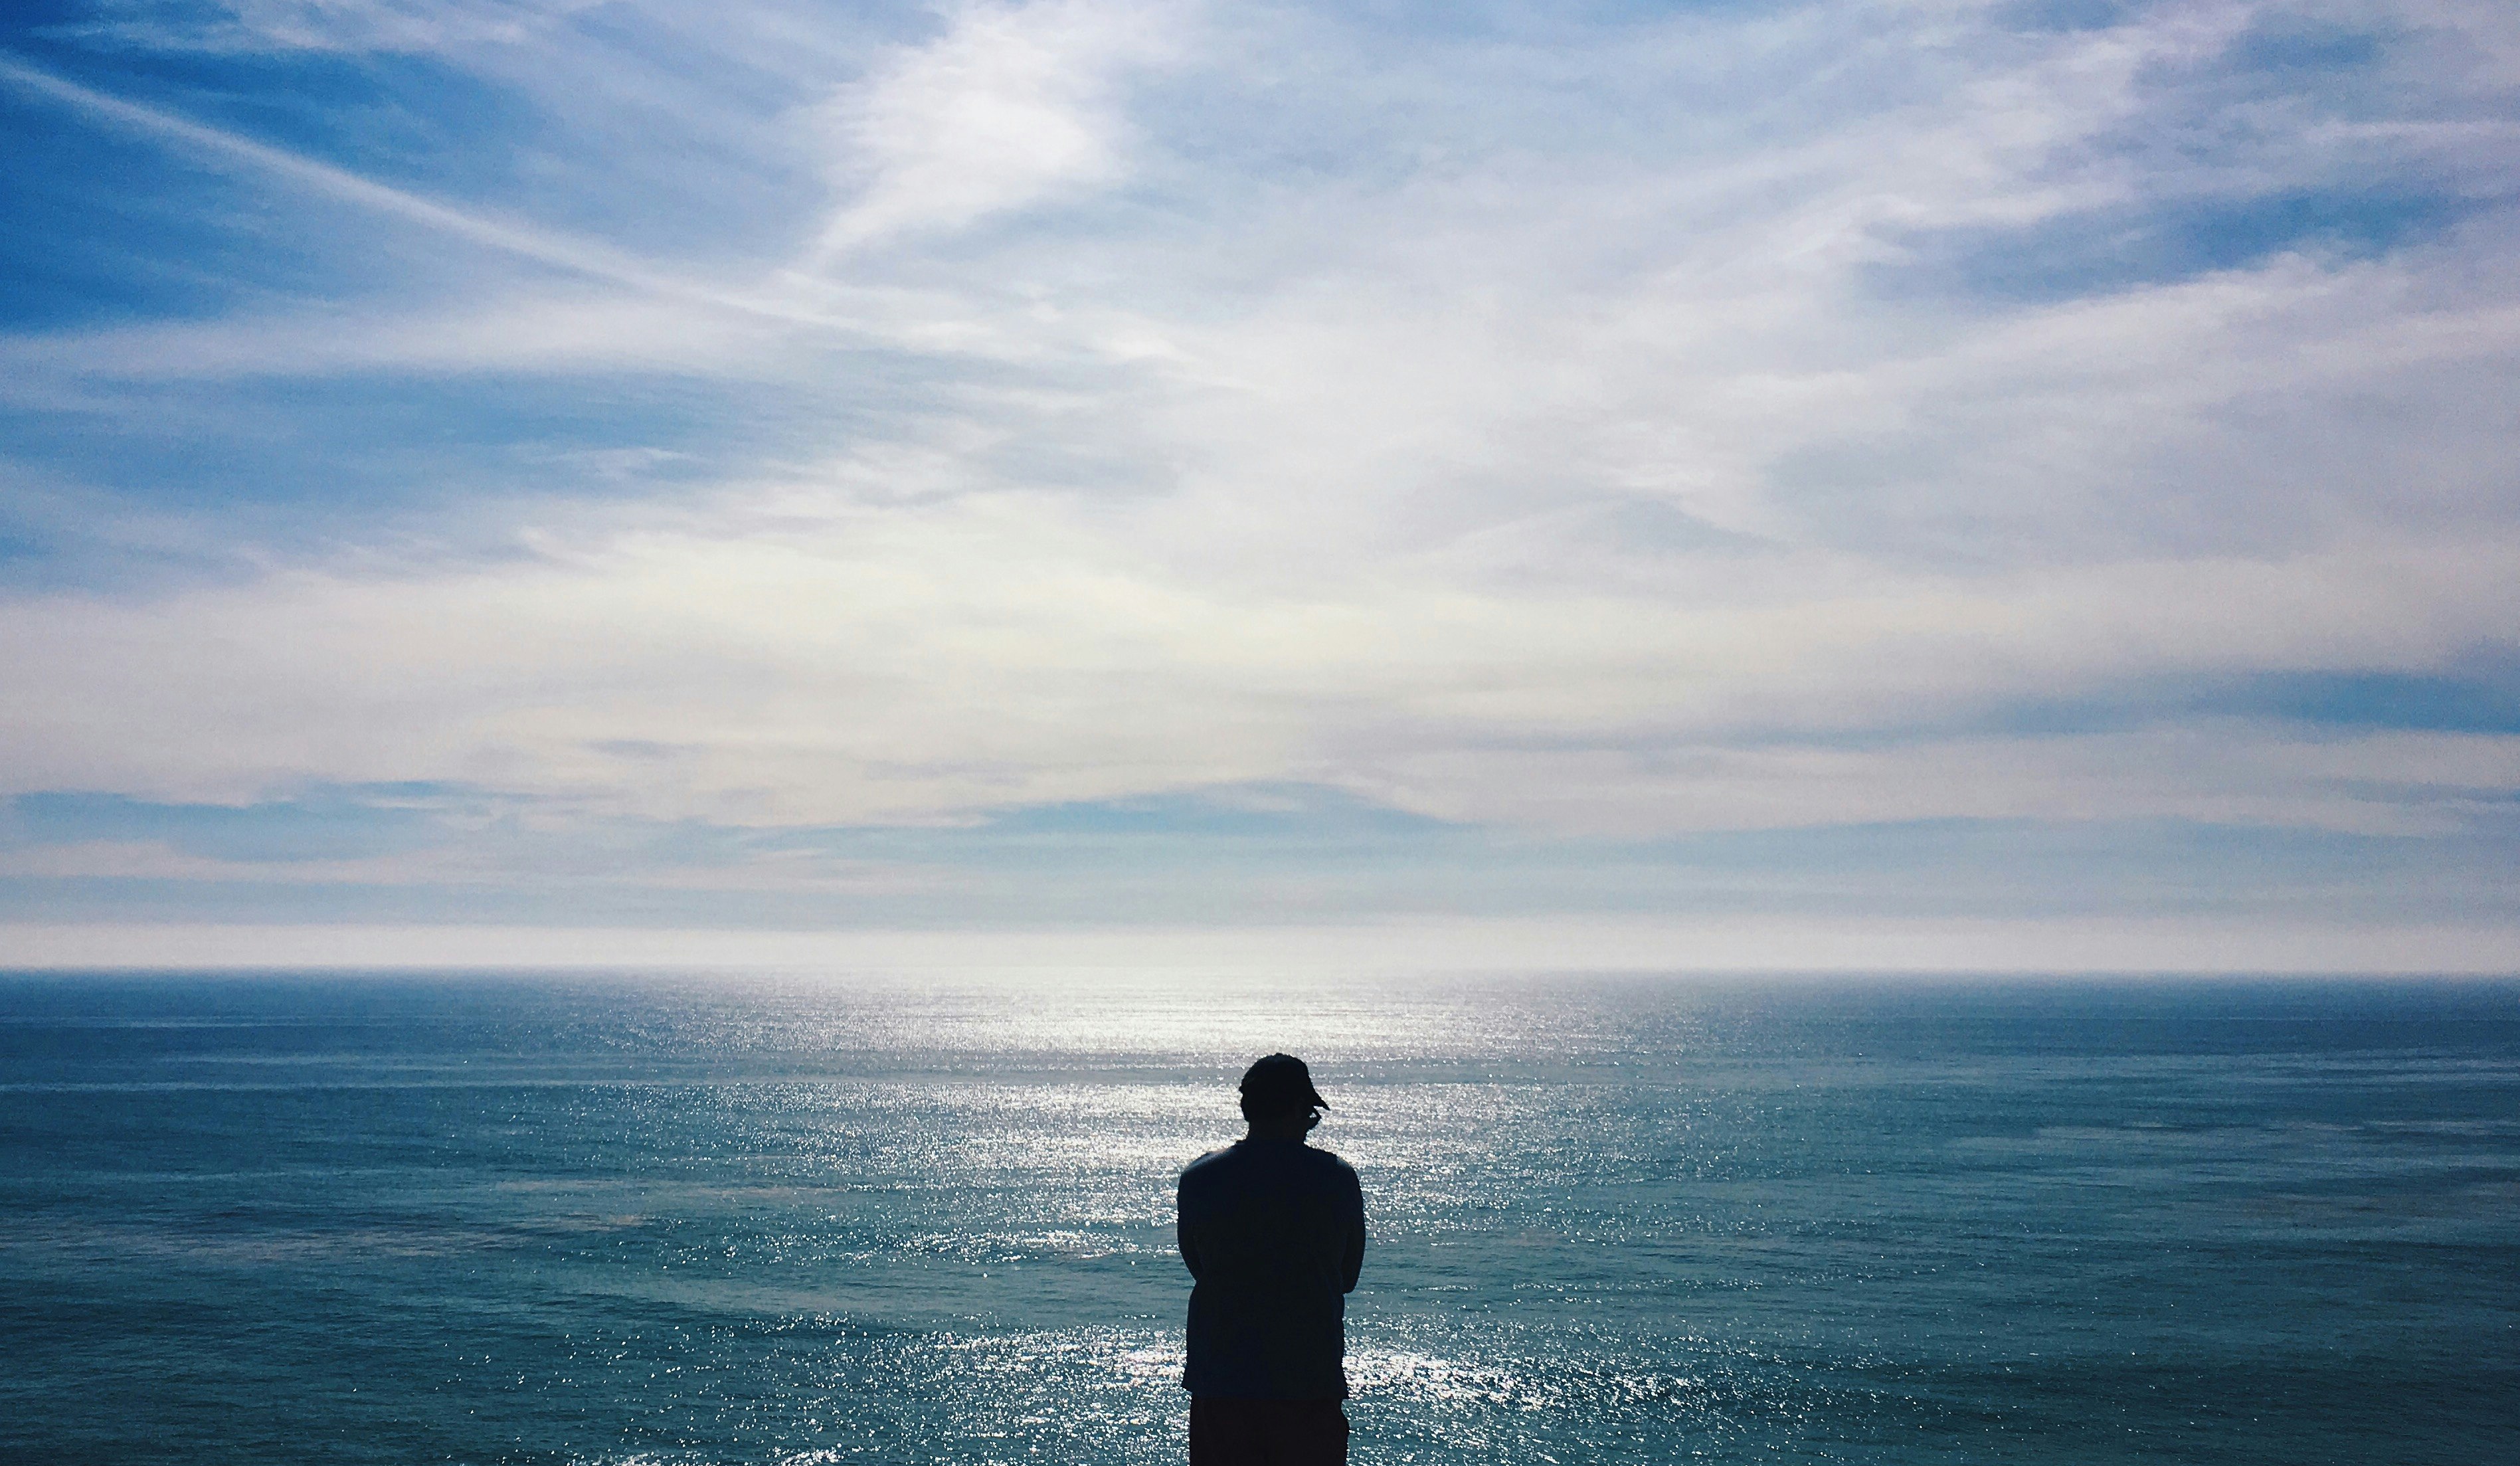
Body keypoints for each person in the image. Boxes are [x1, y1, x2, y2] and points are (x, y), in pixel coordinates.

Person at [1176, 1054, 1367, 1466]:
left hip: (1221, 1379)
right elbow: (1347, 1276)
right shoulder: (1336, 1178)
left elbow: (1198, 1266)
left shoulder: (1200, 1179)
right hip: (1307, 1381)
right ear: (1300, 1108)